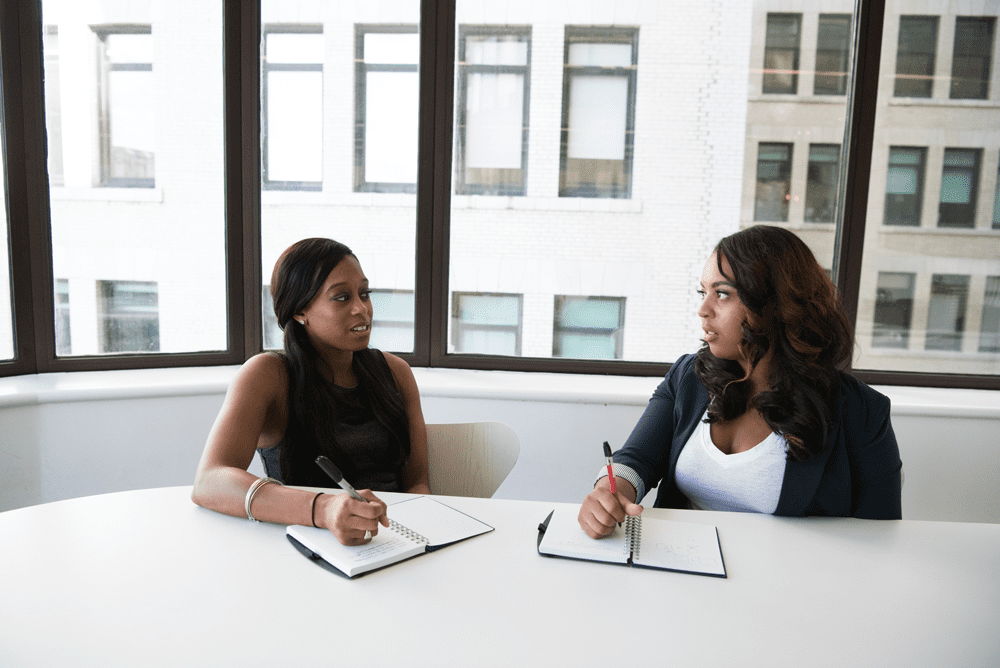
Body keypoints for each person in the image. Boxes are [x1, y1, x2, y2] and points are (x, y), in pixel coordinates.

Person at [578, 225, 902, 538]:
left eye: (722, 294)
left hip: (789, 587)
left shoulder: (861, 413)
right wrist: (610, 492)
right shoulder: (688, 376)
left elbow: (882, 535)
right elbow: (638, 459)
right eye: (702, 293)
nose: (702, 310)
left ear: (777, 302)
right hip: (680, 573)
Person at [192, 238, 430, 545]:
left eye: (364, 294)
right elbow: (209, 481)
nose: (362, 308)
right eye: (342, 297)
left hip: (392, 542)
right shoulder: (267, 375)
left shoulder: (396, 372)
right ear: (300, 311)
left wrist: (417, 533)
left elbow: (419, 483)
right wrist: (325, 509)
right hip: (307, 546)